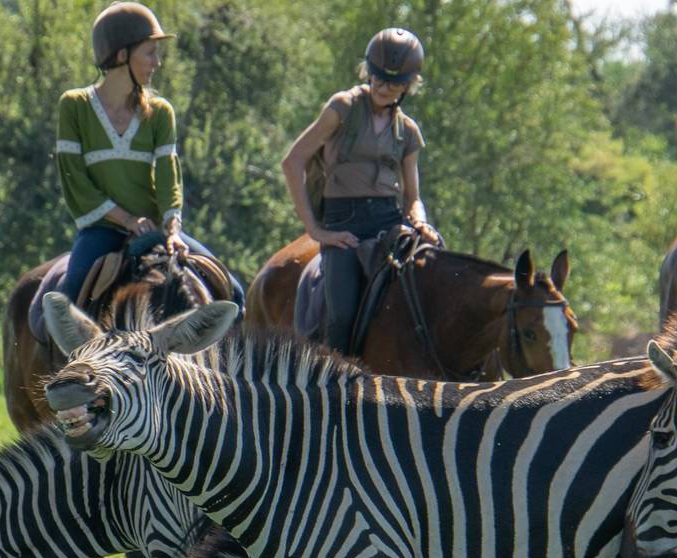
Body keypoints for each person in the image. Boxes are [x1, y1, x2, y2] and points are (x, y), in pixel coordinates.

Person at [54, 2, 238, 307]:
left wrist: (172, 230)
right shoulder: (74, 106)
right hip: (103, 230)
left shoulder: (161, 112)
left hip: (155, 230)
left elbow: (169, 177)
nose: (158, 63)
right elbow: (75, 180)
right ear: (122, 54)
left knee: (234, 292)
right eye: (150, 52)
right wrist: (127, 220)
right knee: (71, 296)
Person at [280, 28, 442, 355]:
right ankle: (333, 385)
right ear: (368, 72)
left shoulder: (408, 132)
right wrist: (316, 230)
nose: (384, 88)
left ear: (409, 85)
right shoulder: (343, 107)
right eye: (378, 79)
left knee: (434, 285)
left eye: (394, 84)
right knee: (340, 317)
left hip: (389, 221)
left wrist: (420, 222)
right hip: (344, 224)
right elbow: (292, 161)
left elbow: (412, 197)